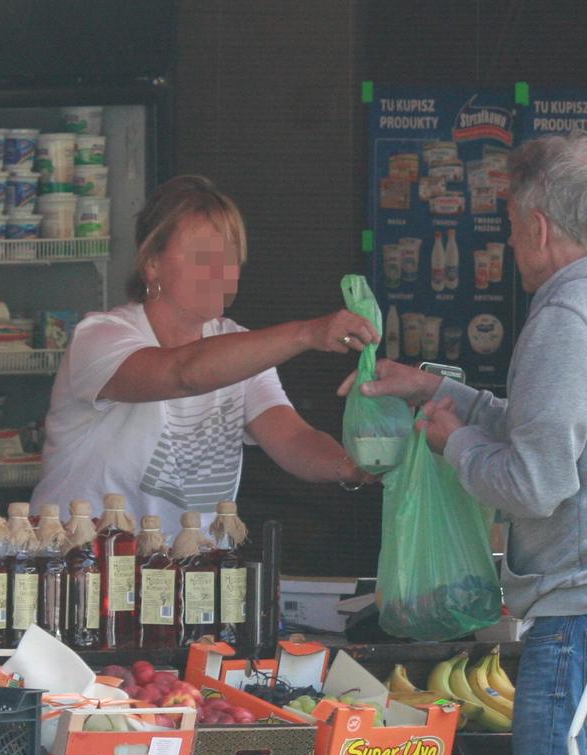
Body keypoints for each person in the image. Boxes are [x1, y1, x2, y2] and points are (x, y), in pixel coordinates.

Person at [339, 132, 587, 755]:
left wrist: (454, 444)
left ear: (538, 226)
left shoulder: (570, 315)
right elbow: (557, 432)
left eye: (507, 225)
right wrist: (440, 391)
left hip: (580, 625)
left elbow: (535, 482)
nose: (508, 243)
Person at [31, 174, 378, 536]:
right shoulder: (99, 337)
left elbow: (292, 440)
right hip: (84, 570)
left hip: (187, 574)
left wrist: (354, 466)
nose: (221, 273)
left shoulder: (240, 347)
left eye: (230, 259)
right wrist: (307, 333)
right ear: (151, 263)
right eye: (202, 257)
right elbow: (184, 372)